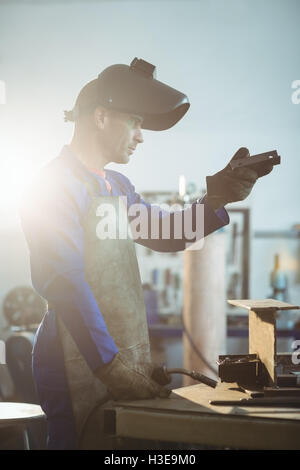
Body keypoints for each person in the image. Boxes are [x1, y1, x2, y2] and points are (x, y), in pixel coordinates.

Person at [20, 58, 272, 449]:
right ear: (101, 116)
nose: (141, 136)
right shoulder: (53, 185)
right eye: (134, 122)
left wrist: (216, 199)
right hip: (72, 354)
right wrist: (109, 364)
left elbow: (166, 233)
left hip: (116, 353)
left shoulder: (117, 186)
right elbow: (65, 282)